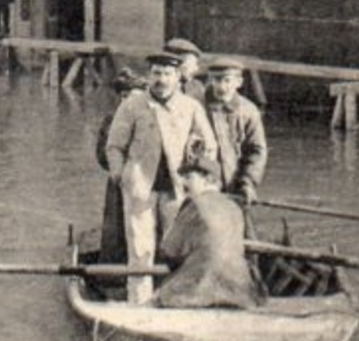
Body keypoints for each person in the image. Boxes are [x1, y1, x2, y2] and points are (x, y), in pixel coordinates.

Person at [103, 51, 219, 305]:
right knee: (140, 247)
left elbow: (210, 146)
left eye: (167, 74)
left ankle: (172, 300)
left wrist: (198, 173)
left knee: (175, 247)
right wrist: (120, 174)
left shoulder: (190, 107)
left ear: (178, 77)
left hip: (177, 189)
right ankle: (139, 303)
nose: (161, 80)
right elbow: (114, 145)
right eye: (156, 73)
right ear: (148, 76)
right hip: (140, 187)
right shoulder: (132, 106)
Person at [154, 154, 265, 310]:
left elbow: (169, 251)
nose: (183, 182)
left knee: (159, 297)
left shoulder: (194, 204)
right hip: (239, 290)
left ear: (208, 179)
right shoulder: (234, 207)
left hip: (201, 288)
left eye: (189, 177)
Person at [94, 67, 146, 264]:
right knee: (117, 227)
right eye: (123, 96)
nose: (127, 101)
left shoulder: (151, 118)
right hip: (119, 183)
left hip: (147, 181)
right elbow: (101, 155)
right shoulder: (112, 119)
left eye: (132, 96)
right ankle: (114, 272)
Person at [203, 57, 268, 205]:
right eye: (216, 80)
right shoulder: (196, 107)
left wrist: (247, 182)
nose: (221, 86)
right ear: (209, 80)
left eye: (227, 80)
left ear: (238, 82)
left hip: (234, 187)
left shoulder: (249, 111)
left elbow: (256, 151)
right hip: (203, 186)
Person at [165, 37, 206, 101]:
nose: (196, 69)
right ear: (181, 66)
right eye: (193, 64)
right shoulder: (161, 85)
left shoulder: (197, 87)